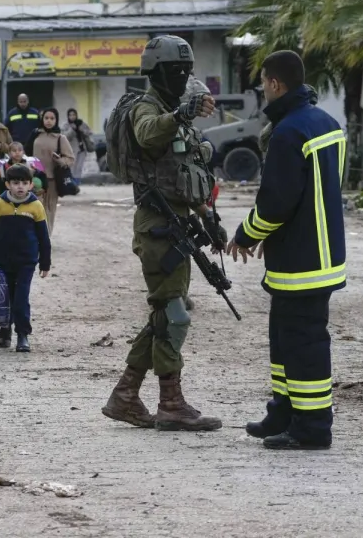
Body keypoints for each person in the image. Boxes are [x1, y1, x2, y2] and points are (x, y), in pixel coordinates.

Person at [100, 35, 223, 432]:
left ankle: (125, 396)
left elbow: (182, 177)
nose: (183, 76)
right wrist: (182, 113)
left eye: (187, 71)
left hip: (178, 221)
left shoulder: (174, 111)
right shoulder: (146, 107)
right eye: (175, 70)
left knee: (163, 316)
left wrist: (208, 215)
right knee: (174, 315)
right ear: (156, 72)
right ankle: (170, 403)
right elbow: (149, 134)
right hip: (156, 226)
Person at [226, 50, 346, 451]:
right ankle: (283, 411)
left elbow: (277, 202)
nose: (263, 90)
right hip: (315, 255)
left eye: (263, 83)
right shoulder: (327, 124)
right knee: (283, 339)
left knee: (304, 345)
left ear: (275, 83)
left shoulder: (289, 132)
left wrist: (246, 235)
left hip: (302, 262)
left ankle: (312, 428)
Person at [0, 164, 52, 352]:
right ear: (8, 184)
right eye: (15, 183)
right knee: (5, 298)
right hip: (3, 260)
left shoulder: (36, 206)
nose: (20, 187)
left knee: (21, 299)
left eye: (24, 183)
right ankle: (5, 330)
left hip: (26, 261)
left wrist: (45, 262)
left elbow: (43, 237)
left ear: (31, 185)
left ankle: (22, 335)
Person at [32, 108, 75, 228]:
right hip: (35, 180)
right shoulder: (35, 135)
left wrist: (60, 160)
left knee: (49, 209)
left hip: (52, 180)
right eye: (46, 118)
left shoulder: (60, 138)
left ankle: (46, 237)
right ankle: (36, 238)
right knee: (35, 209)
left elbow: (70, 159)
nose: (49, 121)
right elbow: (26, 153)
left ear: (56, 120)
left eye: (52, 118)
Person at [62, 108, 96, 185]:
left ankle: (77, 183)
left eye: (74, 115)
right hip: (71, 150)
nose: (72, 116)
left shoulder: (81, 123)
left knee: (79, 167)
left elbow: (90, 133)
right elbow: (64, 136)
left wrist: (82, 130)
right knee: (72, 168)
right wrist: (72, 130)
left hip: (82, 149)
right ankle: (72, 184)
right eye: (70, 115)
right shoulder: (66, 125)